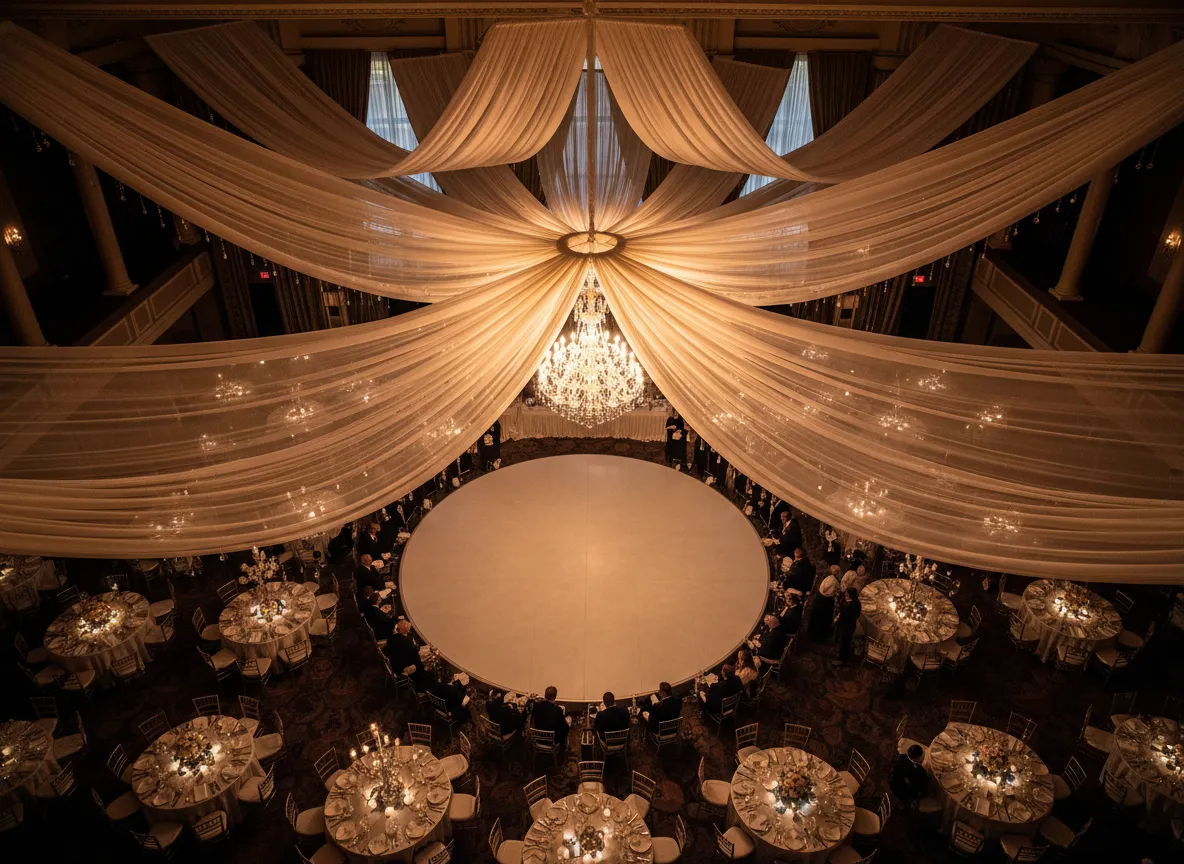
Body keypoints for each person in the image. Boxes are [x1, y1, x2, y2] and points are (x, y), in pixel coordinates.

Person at [531, 686, 569, 750]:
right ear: (555, 697)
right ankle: (563, 750)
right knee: (565, 727)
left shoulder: (536, 706)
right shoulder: (558, 710)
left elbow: (532, 721)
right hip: (552, 742)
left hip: (537, 739)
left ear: (545, 695)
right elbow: (563, 728)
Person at [809, 567, 841, 641]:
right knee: (824, 618)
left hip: (819, 599)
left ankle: (812, 634)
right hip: (827, 602)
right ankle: (821, 636)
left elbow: (822, 589)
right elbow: (837, 592)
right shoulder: (835, 582)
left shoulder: (827, 578)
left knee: (817, 616)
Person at [833, 587, 862, 666]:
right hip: (844, 625)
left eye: (847, 593)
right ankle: (840, 656)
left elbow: (849, 614)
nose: (845, 594)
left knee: (845, 642)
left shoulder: (853, 604)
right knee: (842, 641)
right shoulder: (849, 601)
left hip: (847, 626)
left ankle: (842, 659)